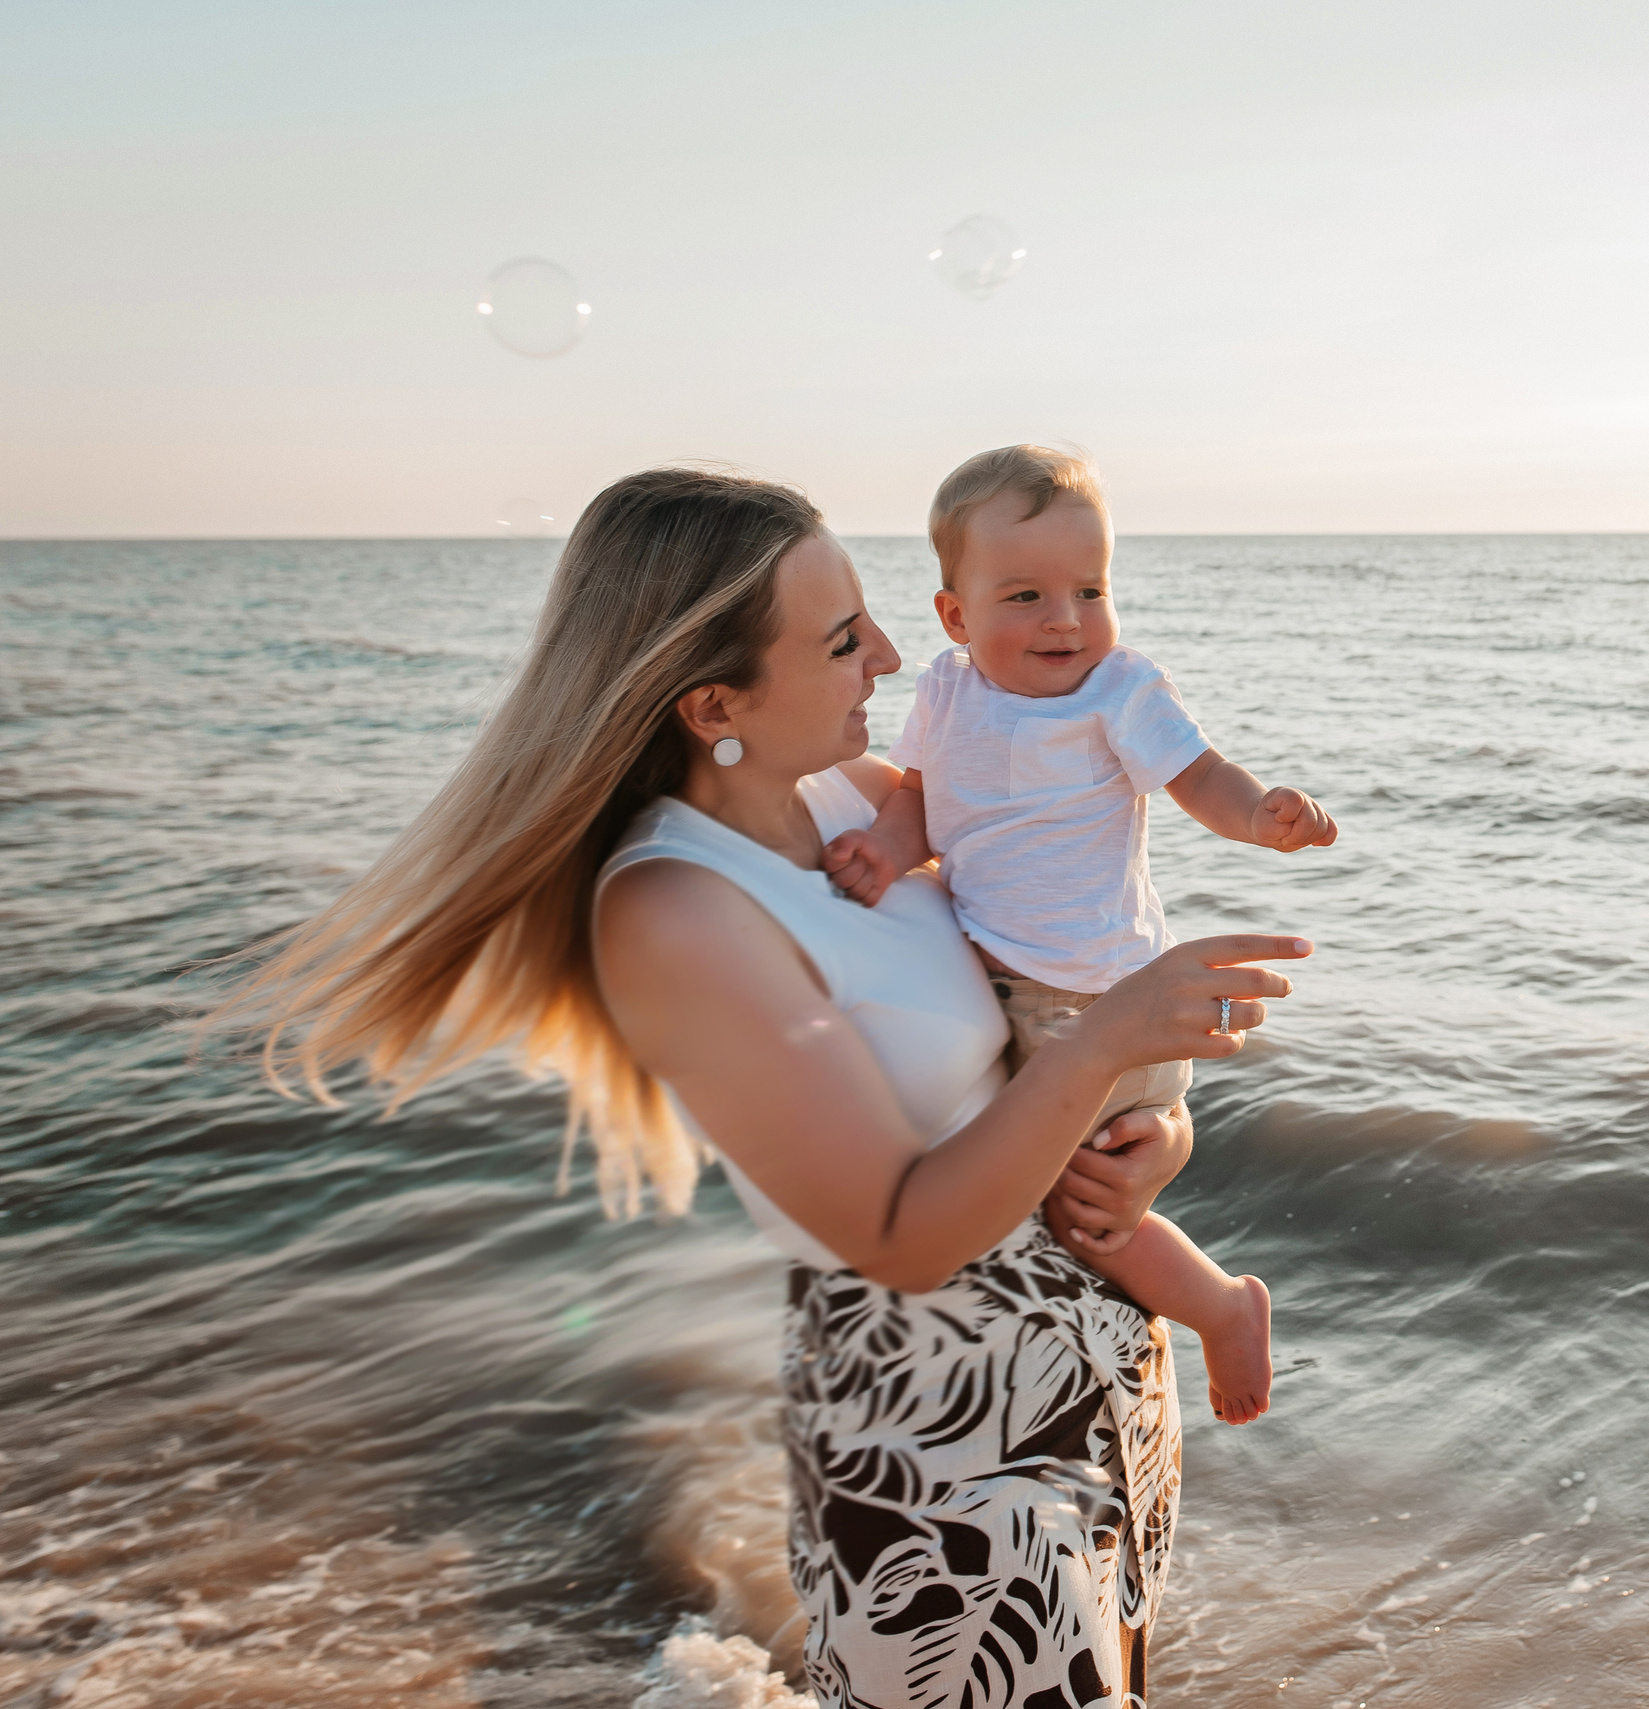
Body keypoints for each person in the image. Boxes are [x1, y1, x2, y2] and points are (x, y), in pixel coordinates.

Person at [211, 467, 1307, 1708]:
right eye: (844, 639)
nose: (891, 657)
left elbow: (1023, 1011)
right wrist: (1106, 1041)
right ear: (711, 700)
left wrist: (1153, 1134)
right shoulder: (676, 906)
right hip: (944, 1428)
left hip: (1095, 1353)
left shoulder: (845, 795)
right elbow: (903, 1231)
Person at [825, 445, 1337, 1428]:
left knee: (1085, 1212)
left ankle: (1221, 1306)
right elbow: (922, 800)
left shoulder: (1120, 691)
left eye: (1089, 588)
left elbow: (1199, 777)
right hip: (1026, 988)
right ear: (954, 616)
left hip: (1096, 999)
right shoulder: (947, 690)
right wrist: (886, 854)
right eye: (1024, 595)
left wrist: (1260, 814)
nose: (1064, 618)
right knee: (1055, 1199)